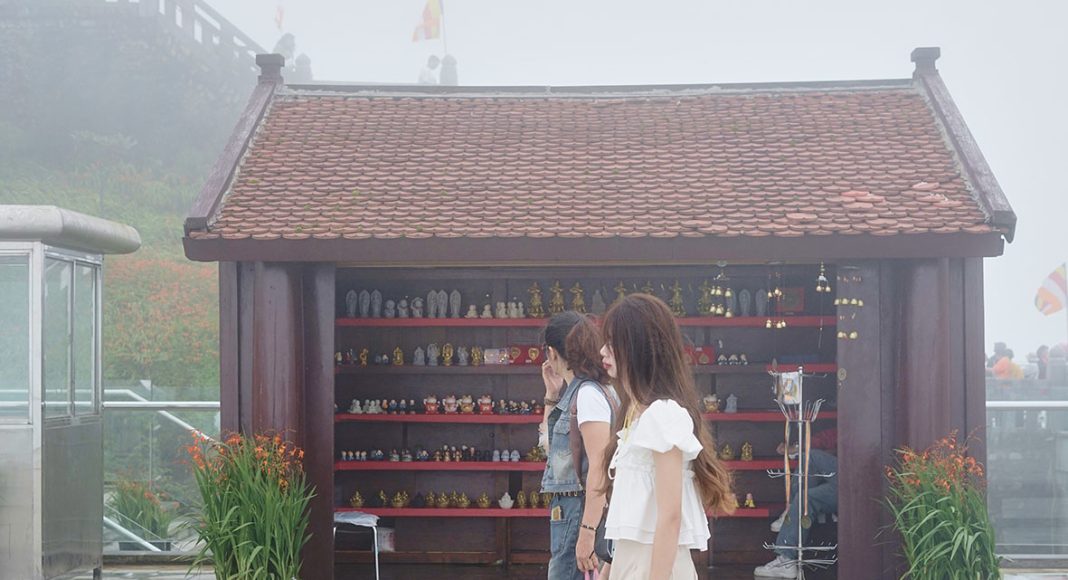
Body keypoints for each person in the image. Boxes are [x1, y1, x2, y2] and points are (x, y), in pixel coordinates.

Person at [599, 294, 734, 579]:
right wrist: (609, 569)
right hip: (631, 565)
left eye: (612, 343)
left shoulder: (662, 415)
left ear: (636, 348)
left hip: (656, 568)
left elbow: (670, 516)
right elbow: (632, 521)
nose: (602, 352)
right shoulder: (636, 415)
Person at [540, 311, 618, 580]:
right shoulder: (593, 391)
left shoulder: (587, 395)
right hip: (576, 511)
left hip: (579, 511)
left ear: (552, 352)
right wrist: (552, 395)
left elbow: (599, 466)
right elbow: (554, 453)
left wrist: (587, 531)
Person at [754, 428, 838, 578]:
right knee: (804, 497)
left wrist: (798, 447)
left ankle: (790, 513)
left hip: (859, 480)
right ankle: (787, 561)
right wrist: (799, 447)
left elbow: (836, 438)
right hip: (844, 479)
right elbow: (834, 437)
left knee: (811, 456)